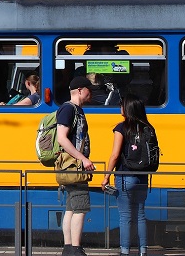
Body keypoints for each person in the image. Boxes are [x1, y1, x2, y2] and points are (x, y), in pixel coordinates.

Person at [101, 94, 154, 256]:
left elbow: (115, 155)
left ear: (127, 108)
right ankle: (143, 251)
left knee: (125, 216)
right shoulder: (148, 128)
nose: (120, 108)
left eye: (121, 105)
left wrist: (106, 177)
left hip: (125, 176)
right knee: (140, 215)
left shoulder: (121, 128)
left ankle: (125, 251)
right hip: (143, 177)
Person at [56, 77, 95, 256]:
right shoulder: (68, 109)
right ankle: (76, 249)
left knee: (71, 207)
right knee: (80, 206)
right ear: (80, 90)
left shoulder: (75, 110)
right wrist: (83, 159)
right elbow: (61, 138)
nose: (91, 93)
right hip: (74, 166)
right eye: (89, 89)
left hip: (73, 165)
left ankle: (68, 248)